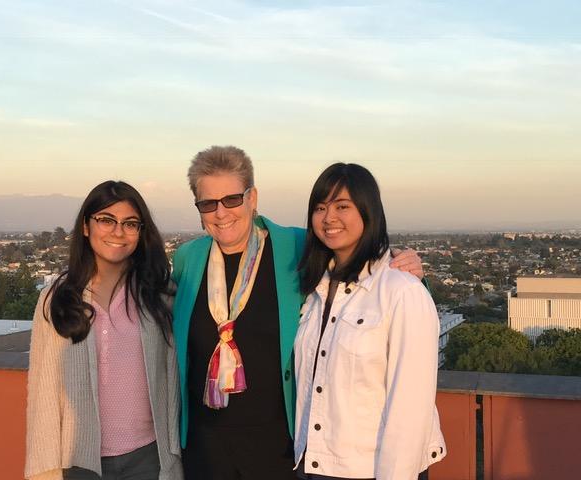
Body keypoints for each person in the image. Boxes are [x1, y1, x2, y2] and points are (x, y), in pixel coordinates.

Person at [171, 146, 425, 480]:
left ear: (252, 198)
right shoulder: (188, 259)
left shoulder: (295, 246)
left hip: (278, 445)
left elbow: (363, 262)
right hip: (205, 446)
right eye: (208, 203)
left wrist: (409, 268)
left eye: (232, 199)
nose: (221, 213)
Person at [293, 163, 446, 480]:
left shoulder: (402, 291)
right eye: (320, 208)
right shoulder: (315, 292)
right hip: (313, 463)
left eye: (342, 206)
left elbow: (411, 406)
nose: (329, 218)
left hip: (372, 469)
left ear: (368, 211)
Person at [25, 181, 183, 480]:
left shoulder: (160, 295)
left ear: (141, 232)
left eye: (130, 223)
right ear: (86, 226)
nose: (118, 232)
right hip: (79, 462)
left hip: (149, 459)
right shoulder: (56, 298)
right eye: (106, 220)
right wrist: (44, 470)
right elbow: (43, 390)